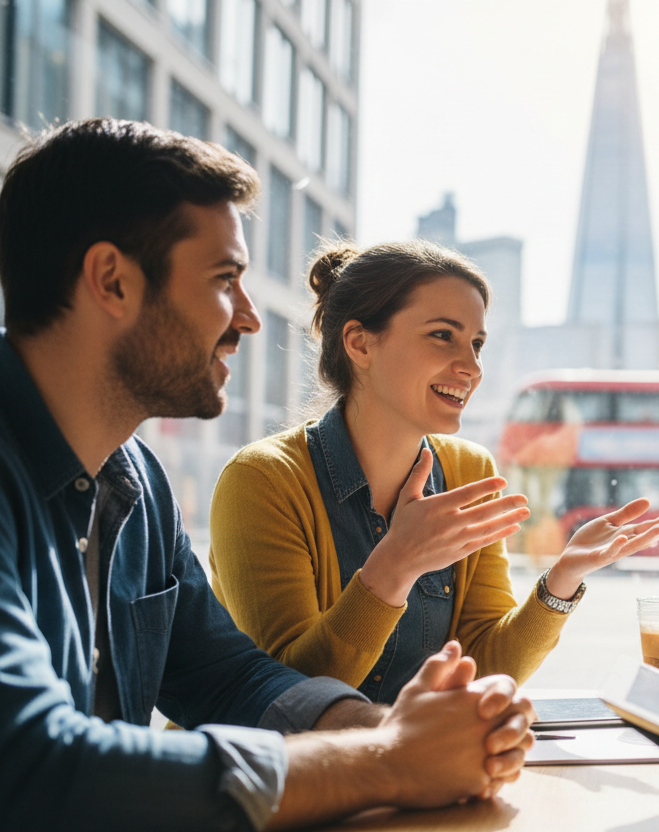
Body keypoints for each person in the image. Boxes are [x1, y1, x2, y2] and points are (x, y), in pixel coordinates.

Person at [0, 118, 536, 831]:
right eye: (225, 280)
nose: (249, 319)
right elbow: (33, 766)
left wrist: (391, 728)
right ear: (112, 280)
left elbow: (227, 677)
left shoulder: (138, 483)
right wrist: (391, 762)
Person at [209, 240, 659, 701]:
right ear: (359, 343)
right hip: (265, 773)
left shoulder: (470, 471)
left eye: (477, 343)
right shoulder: (261, 480)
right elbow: (289, 698)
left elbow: (486, 670)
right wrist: (396, 565)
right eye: (443, 335)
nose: (472, 367)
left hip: (405, 766)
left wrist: (562, 579)